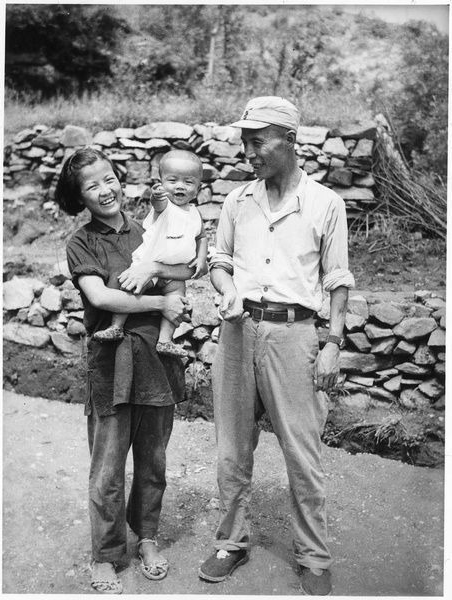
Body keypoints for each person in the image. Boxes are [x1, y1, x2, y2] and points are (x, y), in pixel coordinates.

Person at [198, 96, 355, 596]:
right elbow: (219, 259)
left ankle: (313, 555)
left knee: (302, 453)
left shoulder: (326, 203)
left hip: (296, 335)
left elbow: (337, 279)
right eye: (245, 141)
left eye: (258, 140)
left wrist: (333, 342)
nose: (249, 150)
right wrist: (226, 290)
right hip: (238, 333)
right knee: (231, 449)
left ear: (290, 141)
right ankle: (231, 541)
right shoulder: (237, 200)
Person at [55, 147, 193, 595]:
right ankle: (106, 554)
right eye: (92, 185)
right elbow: (101, 298)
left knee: (153, 463)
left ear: (121, 179)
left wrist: (167, 275)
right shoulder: (81, 242)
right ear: (80, 197)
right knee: (108, 470)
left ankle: (147, 536)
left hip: (156, 360)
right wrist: (159, 302)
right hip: (110, 365)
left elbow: (188, 264)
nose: (105, 189)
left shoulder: (152, 228)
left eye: (110, 178)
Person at [93, 150, 208, 358]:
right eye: (172, 181)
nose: (180, 186)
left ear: (198, 188)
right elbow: (158, 204)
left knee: (177, 300)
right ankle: (116, 326)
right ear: (161, 182)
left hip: (173, 274)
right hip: (149, 266)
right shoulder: (165, 207)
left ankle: (165, 340)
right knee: (130, 288)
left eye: (188, 182)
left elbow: (202, 237)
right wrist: (157, 196)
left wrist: (201, 257)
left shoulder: (195, 215)